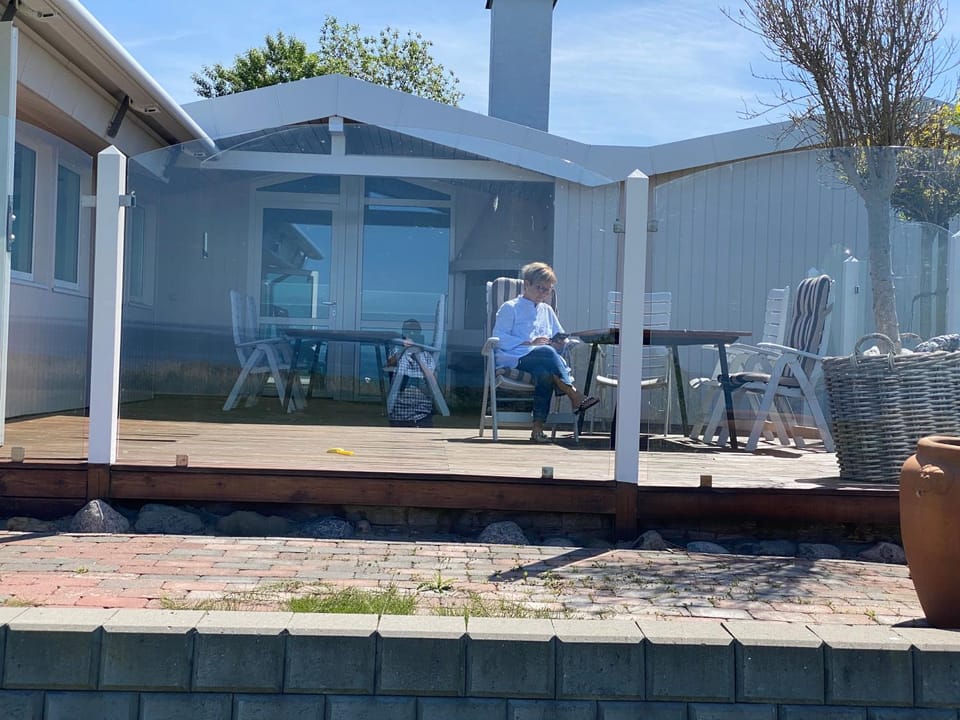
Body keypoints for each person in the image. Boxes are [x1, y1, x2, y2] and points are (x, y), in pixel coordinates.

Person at [492, 261, 598, 443]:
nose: (543, 293)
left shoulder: (547, 310)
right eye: (540, 288)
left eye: (547, 290)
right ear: (527, 284)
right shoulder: (510, 307)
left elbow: (559, 335)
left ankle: (537, 429)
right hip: (516, 357)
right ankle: (573, 394)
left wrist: (560, 343)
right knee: (545, 351)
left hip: (544, 358)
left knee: (545, 374)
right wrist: (529, 342)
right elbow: (498, 337)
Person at [386, 319, 436, 428]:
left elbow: (432, 382)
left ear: (420, 333)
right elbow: (388, 364)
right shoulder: (397, 351)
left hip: (422, 412)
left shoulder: (427, 355)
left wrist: (417, 355)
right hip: (399, 412)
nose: (411, 334)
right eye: (407, 331)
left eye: (414, 331)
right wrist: (403, 349)